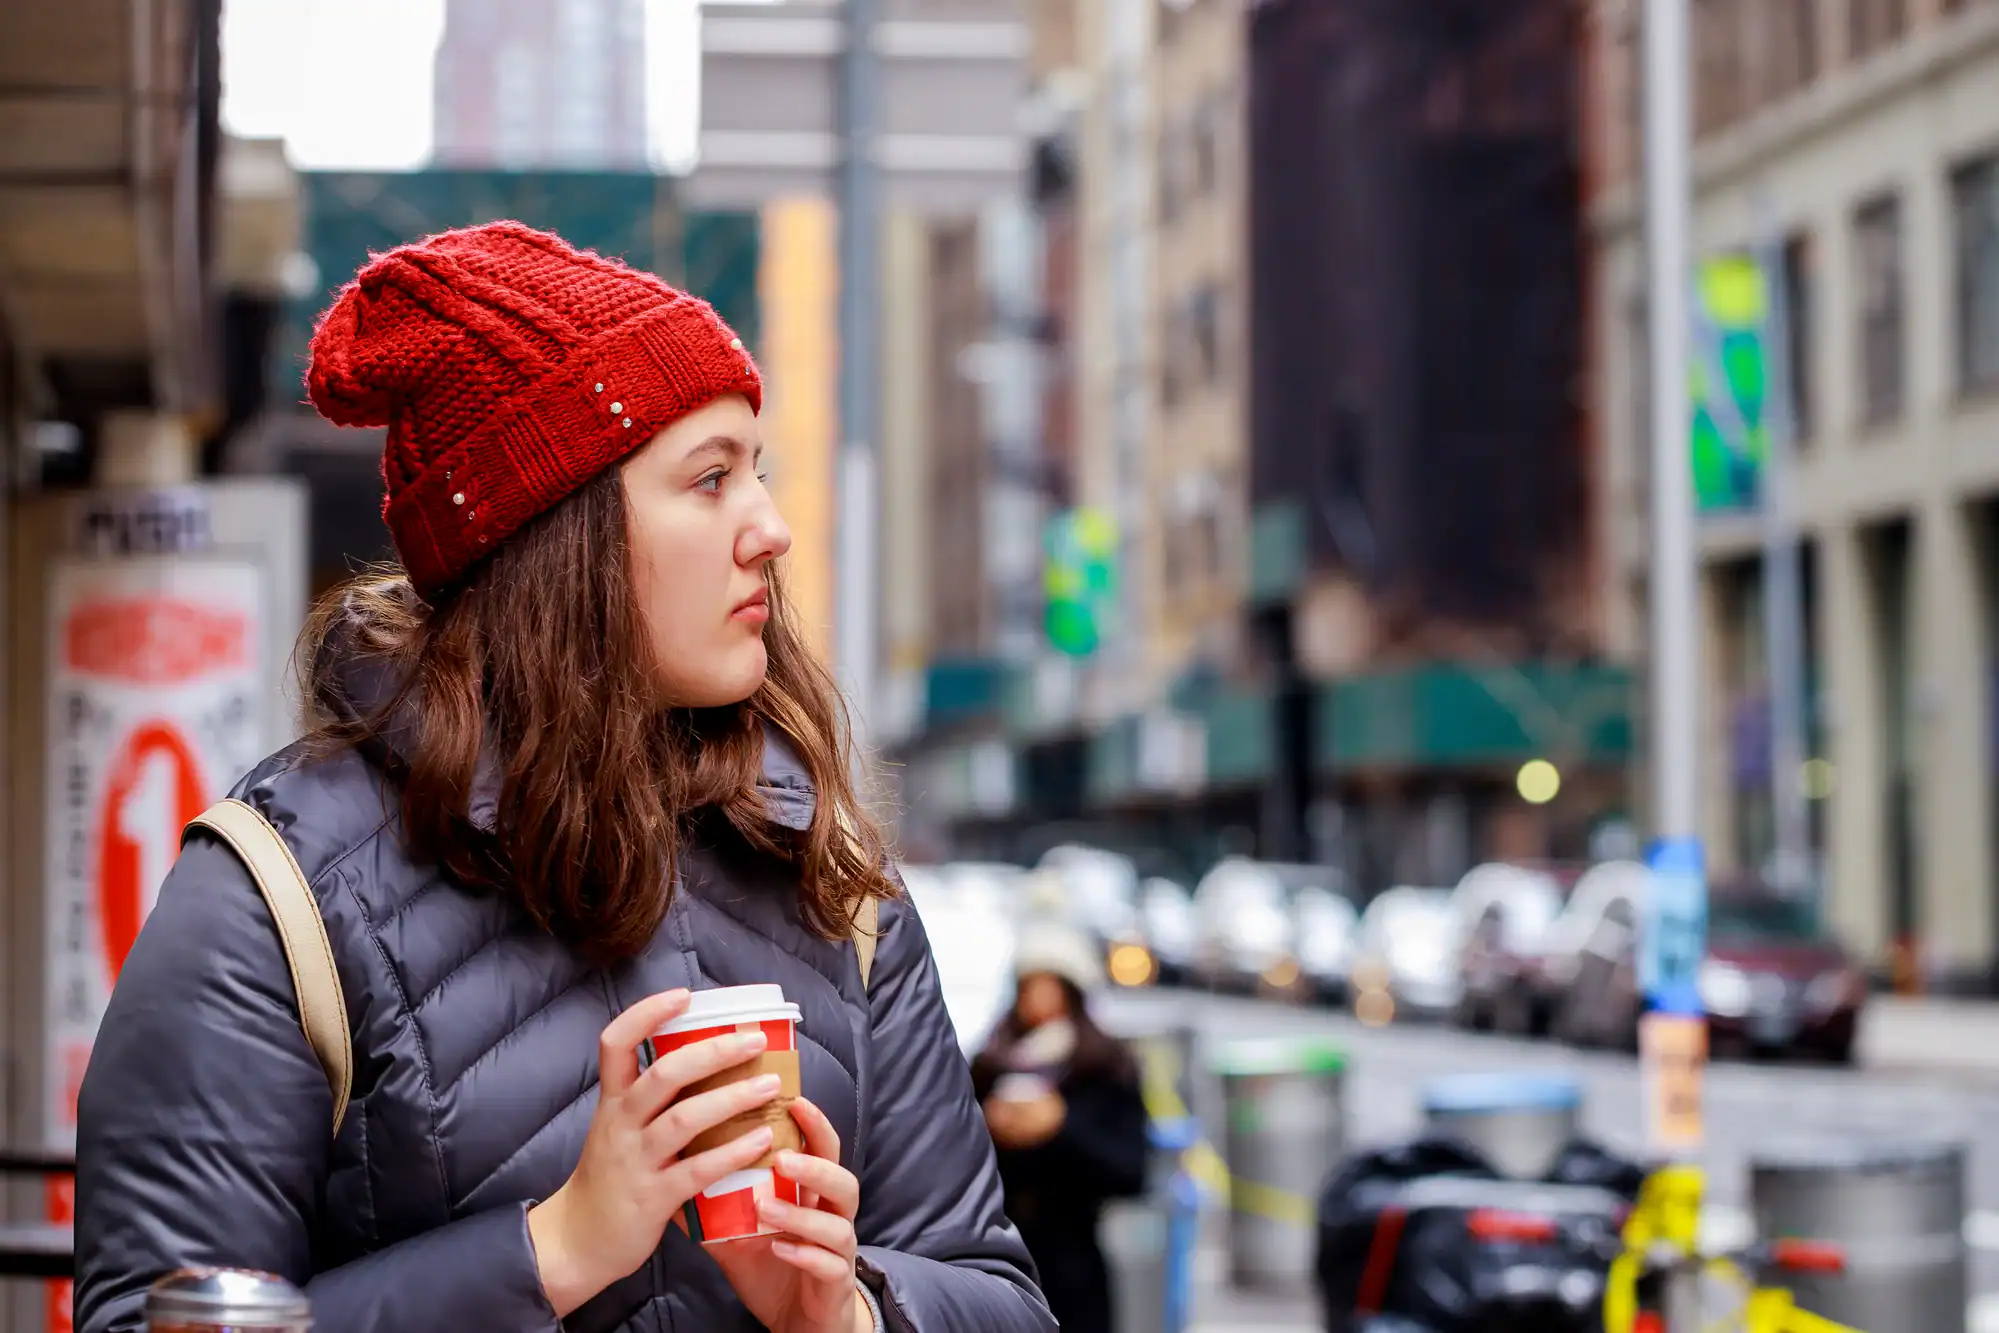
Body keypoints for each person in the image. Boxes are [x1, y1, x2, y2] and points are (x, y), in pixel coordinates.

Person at [72, 221, 1057, 1333]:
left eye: (761, 474)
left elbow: (997, 1295)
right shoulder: (279, 897)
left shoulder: (827, 878)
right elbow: (146, 1320)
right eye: (710, 479)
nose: (771, 531)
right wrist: (554, 1247)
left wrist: (850, 1309)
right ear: (559, 535)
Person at [971, 919, 1150, 1333]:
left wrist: (1060, 1128)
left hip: (1075, 1265)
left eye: (1052, 984)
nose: (1039, 998)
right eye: (1030, 984)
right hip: (999, 1258)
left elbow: (1130, 1171)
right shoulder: (989, 1064)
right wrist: (991, 1126)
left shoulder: (1106, 1068)